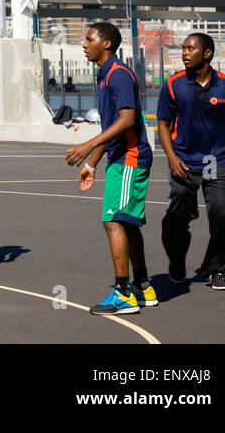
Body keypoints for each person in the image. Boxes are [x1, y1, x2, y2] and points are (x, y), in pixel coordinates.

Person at [65, 22, 155, 315]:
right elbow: (111, 128)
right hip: (120, 158)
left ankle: (123, 292)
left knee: (113, 221)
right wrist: (92, 163)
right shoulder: (104, 76)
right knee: (127, 222)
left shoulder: (118, 75)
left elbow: (127, 120)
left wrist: (88, 145)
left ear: (106, 44)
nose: (84, 43)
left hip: (131, 158)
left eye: (89, 39)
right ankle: (143, 287)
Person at [156, 32, 225, 290]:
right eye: (183, 48)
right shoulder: (173, 84)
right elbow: (163, 125)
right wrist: (171, 157)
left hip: (215, 161)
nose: (185, 54)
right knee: (176, 220)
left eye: (191, 48)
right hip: (184, 161)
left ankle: (214, 268)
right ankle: (176, 259)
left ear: (207, 53)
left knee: (222, 214)